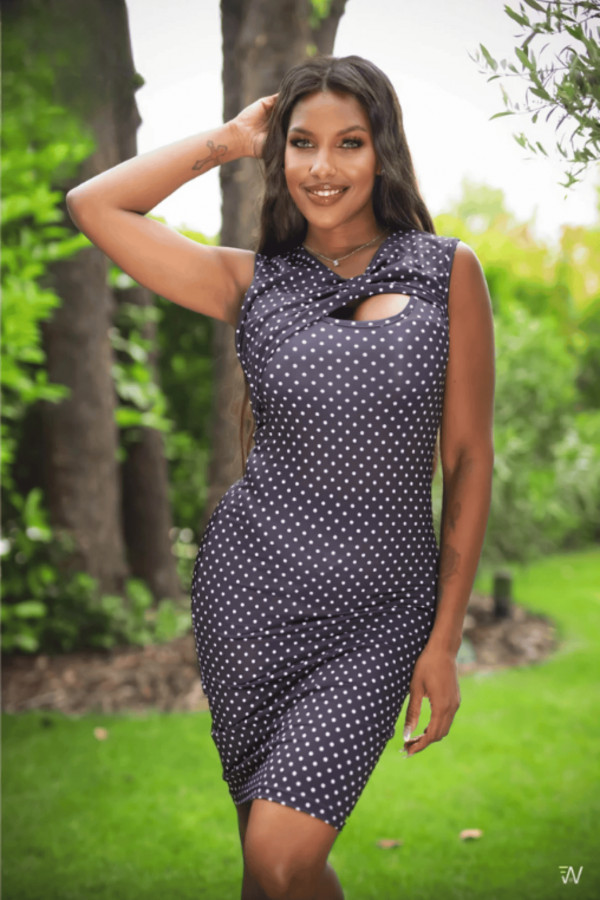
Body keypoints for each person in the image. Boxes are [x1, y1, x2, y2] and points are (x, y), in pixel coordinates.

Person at [67, 54, 494, 900]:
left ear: (383, 151)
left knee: (280, 857)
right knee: (268, 871)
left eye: (349, 143)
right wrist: (232, 139)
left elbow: (469, 459)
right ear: (280, 153)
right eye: (302, 143)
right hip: (251, 600)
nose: (323, 167)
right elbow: (94, 205)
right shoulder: (250, 281)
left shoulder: (448, 271)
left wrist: (444, 640)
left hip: (381, 612)